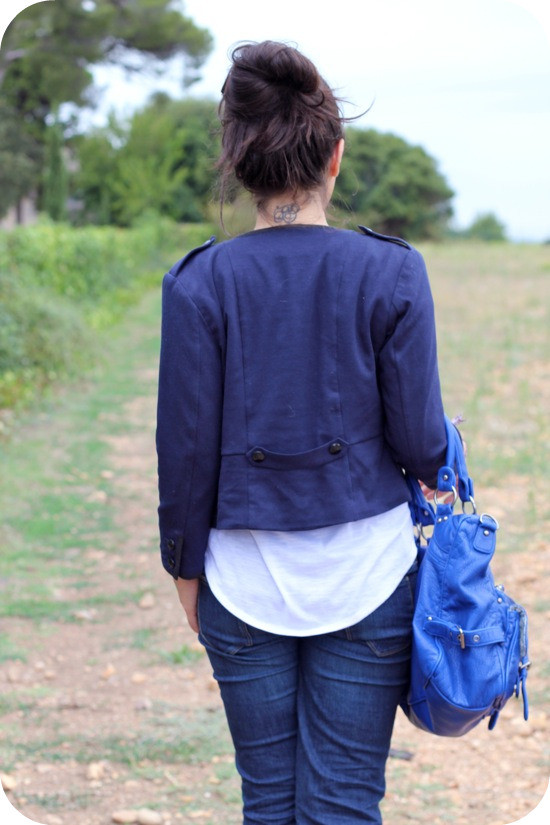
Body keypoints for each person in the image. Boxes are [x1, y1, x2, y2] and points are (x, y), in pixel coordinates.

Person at [156, 40, 448, 825]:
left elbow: (183, 456)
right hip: (370, 575)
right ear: (335, 159)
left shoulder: (197, 283)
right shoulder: (393, 271)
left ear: (239, 165)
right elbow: (421, 444)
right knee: (344, 803)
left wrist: (185, 572)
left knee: (267, 803)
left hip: (240, 584)